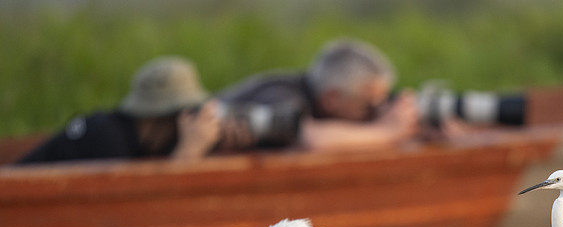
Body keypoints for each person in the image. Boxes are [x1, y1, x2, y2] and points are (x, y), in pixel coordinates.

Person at [216, 38, 420, 153]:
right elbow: (309, 139)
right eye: (368, 106)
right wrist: (387, 132)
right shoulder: (281, 96)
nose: (375, 112)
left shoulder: (321, 98)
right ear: (331, 99)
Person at [16, 56, 221, 164]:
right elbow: (142, 208)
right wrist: (188, 151)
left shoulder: (120, 134)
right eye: (188, 115)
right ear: (166, 117)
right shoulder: (107, 141)